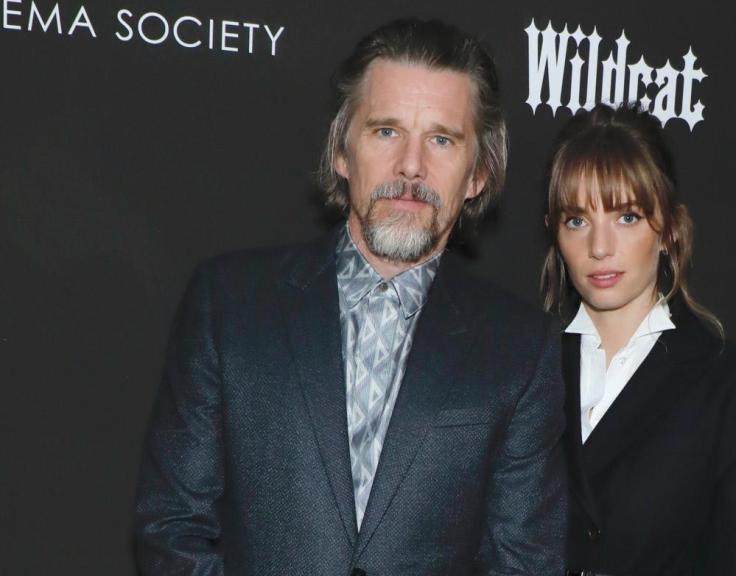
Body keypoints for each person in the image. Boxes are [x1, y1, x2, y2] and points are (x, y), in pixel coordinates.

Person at [135, 19, 566, 576]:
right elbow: (172, 525)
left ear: (478, 174)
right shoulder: (229, 306)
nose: (412, 166)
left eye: (441, 139)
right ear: (342, 151)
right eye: (386, 131)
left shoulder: (522, 351)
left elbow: (524, 562)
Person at [541, 104, 736, 575]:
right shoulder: (521, 370)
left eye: (627, 217)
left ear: (669, 228)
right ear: (554, 234)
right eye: (577, 220)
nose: (599, 247)